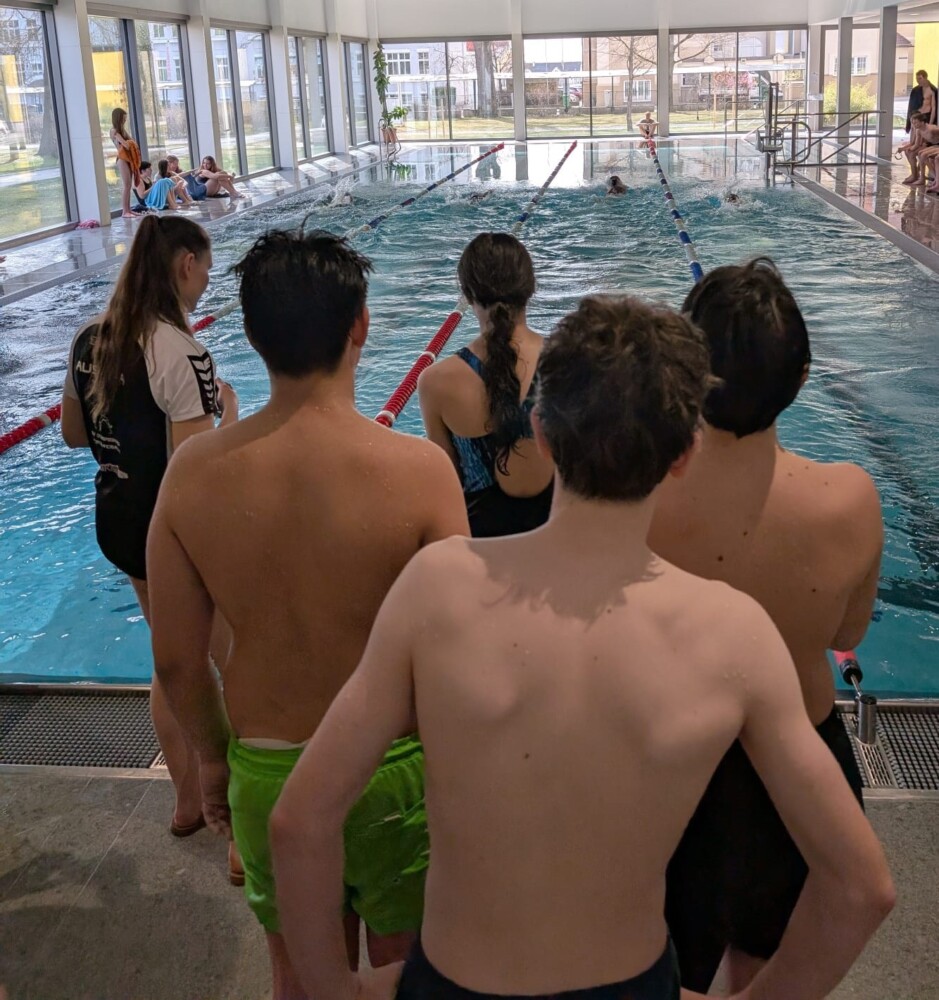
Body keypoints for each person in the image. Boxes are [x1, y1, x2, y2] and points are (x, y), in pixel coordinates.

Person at [270, 293, 894, 1000]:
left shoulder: (436, 588)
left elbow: (298, 822)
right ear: (683, 453)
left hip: (456, 980)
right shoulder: (735, 631)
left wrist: (338, 991)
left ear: (540, 429)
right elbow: (861, 885)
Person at [147, 227, 468, 1000]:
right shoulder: (420, 473)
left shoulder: (192, 476)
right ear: (361, 327)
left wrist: (214, 759)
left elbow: (177, 661)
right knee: (404, 977)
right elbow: (459, 651)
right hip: (392, 768)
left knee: (297, 980)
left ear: (252, 335)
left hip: (269, 771)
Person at [649, 258, 885, 995]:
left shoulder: (633, 495)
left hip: (670, 762)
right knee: (765, 963)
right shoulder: (849, 499)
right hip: (799, 770)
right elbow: (849, 632)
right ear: (802, 376)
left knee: (660, 968)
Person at [60, 215, 238, 841]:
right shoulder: (180, 352)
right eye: (206, 267)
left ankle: (186, 803)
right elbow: (193, 472)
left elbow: (74, 434)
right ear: (185, 264)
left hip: (119, 520)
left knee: (172, 656)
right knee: (220, 658)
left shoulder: (89, 338)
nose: (207, 280)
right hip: (171, 533)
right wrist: (229, 410)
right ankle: (233, 807)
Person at [418, 232, 553, 537]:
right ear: (530, 288)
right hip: (558, 543)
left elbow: (446, 487)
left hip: (481, 546)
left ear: (468, 295)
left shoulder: (435, 382)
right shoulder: (569, 359)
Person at [110, 108, 140, 219]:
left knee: (129, 185)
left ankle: (129, 210)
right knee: (127, 185)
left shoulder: (122, 130)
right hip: (122, 159)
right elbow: (127, 145)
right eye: (123, 118)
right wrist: (130, 143)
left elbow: (132, 143)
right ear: (118, 118)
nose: (125, 120)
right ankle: (124, 211)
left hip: (128, 159)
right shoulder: (114, 131)